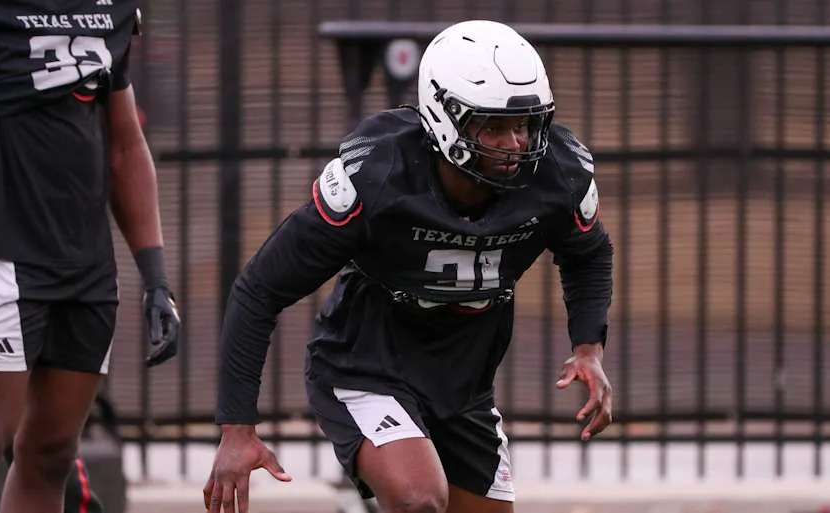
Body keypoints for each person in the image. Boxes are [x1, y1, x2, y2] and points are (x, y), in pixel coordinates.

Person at [205, 19, 613, 513]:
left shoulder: (557, 176)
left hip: (463, 388)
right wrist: (236, 429)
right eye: (495, 126)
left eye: (525, 125)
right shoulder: (379, 176)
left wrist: (587, 346)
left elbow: (588, 253)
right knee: (419, 499)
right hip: (366, 365)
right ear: (444, 118)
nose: (516, 145)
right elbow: (260, 288)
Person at [0, 2, 181, 512]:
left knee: (50, 454)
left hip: (85, 268)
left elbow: (125, 145)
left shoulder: (111, 10)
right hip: (5, 258)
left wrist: (156, 277)